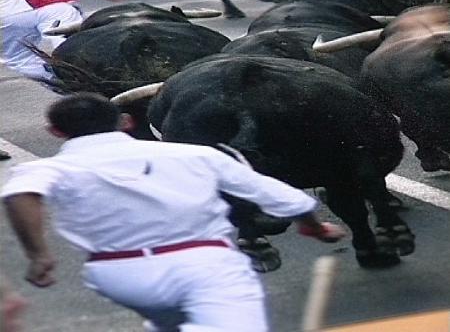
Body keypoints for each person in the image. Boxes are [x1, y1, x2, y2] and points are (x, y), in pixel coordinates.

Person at [1, 94, 346, 331]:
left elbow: (19, 194)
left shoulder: (49, 168)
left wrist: (39, 256)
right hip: (205, 266)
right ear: (124, 122)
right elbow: (287, 199)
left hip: (119, 276)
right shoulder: (194, 154)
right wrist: (314, 228)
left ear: (56, 132)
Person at [0, 0, 126, 81]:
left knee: (20, 59)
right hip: (52, 5)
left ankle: (69, 87)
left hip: (7, 16)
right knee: (75, 49)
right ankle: (109, 80)